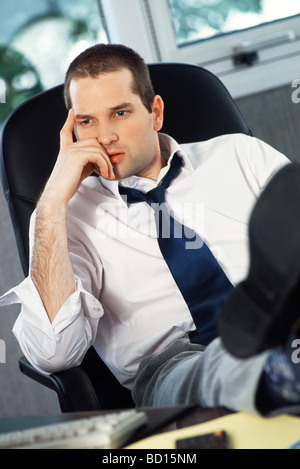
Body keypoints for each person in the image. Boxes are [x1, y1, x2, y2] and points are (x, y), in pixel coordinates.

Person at [1, 43, 300, 416]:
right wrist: (48, 207)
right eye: (87, 121)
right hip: (176, 365)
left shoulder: (240, 155)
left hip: (282, 321)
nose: (105, 136)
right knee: (202, 371)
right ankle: (276, 373)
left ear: (154, 113)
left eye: (120, 112)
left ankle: (280, 366)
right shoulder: (68, 216)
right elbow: (54, 353)